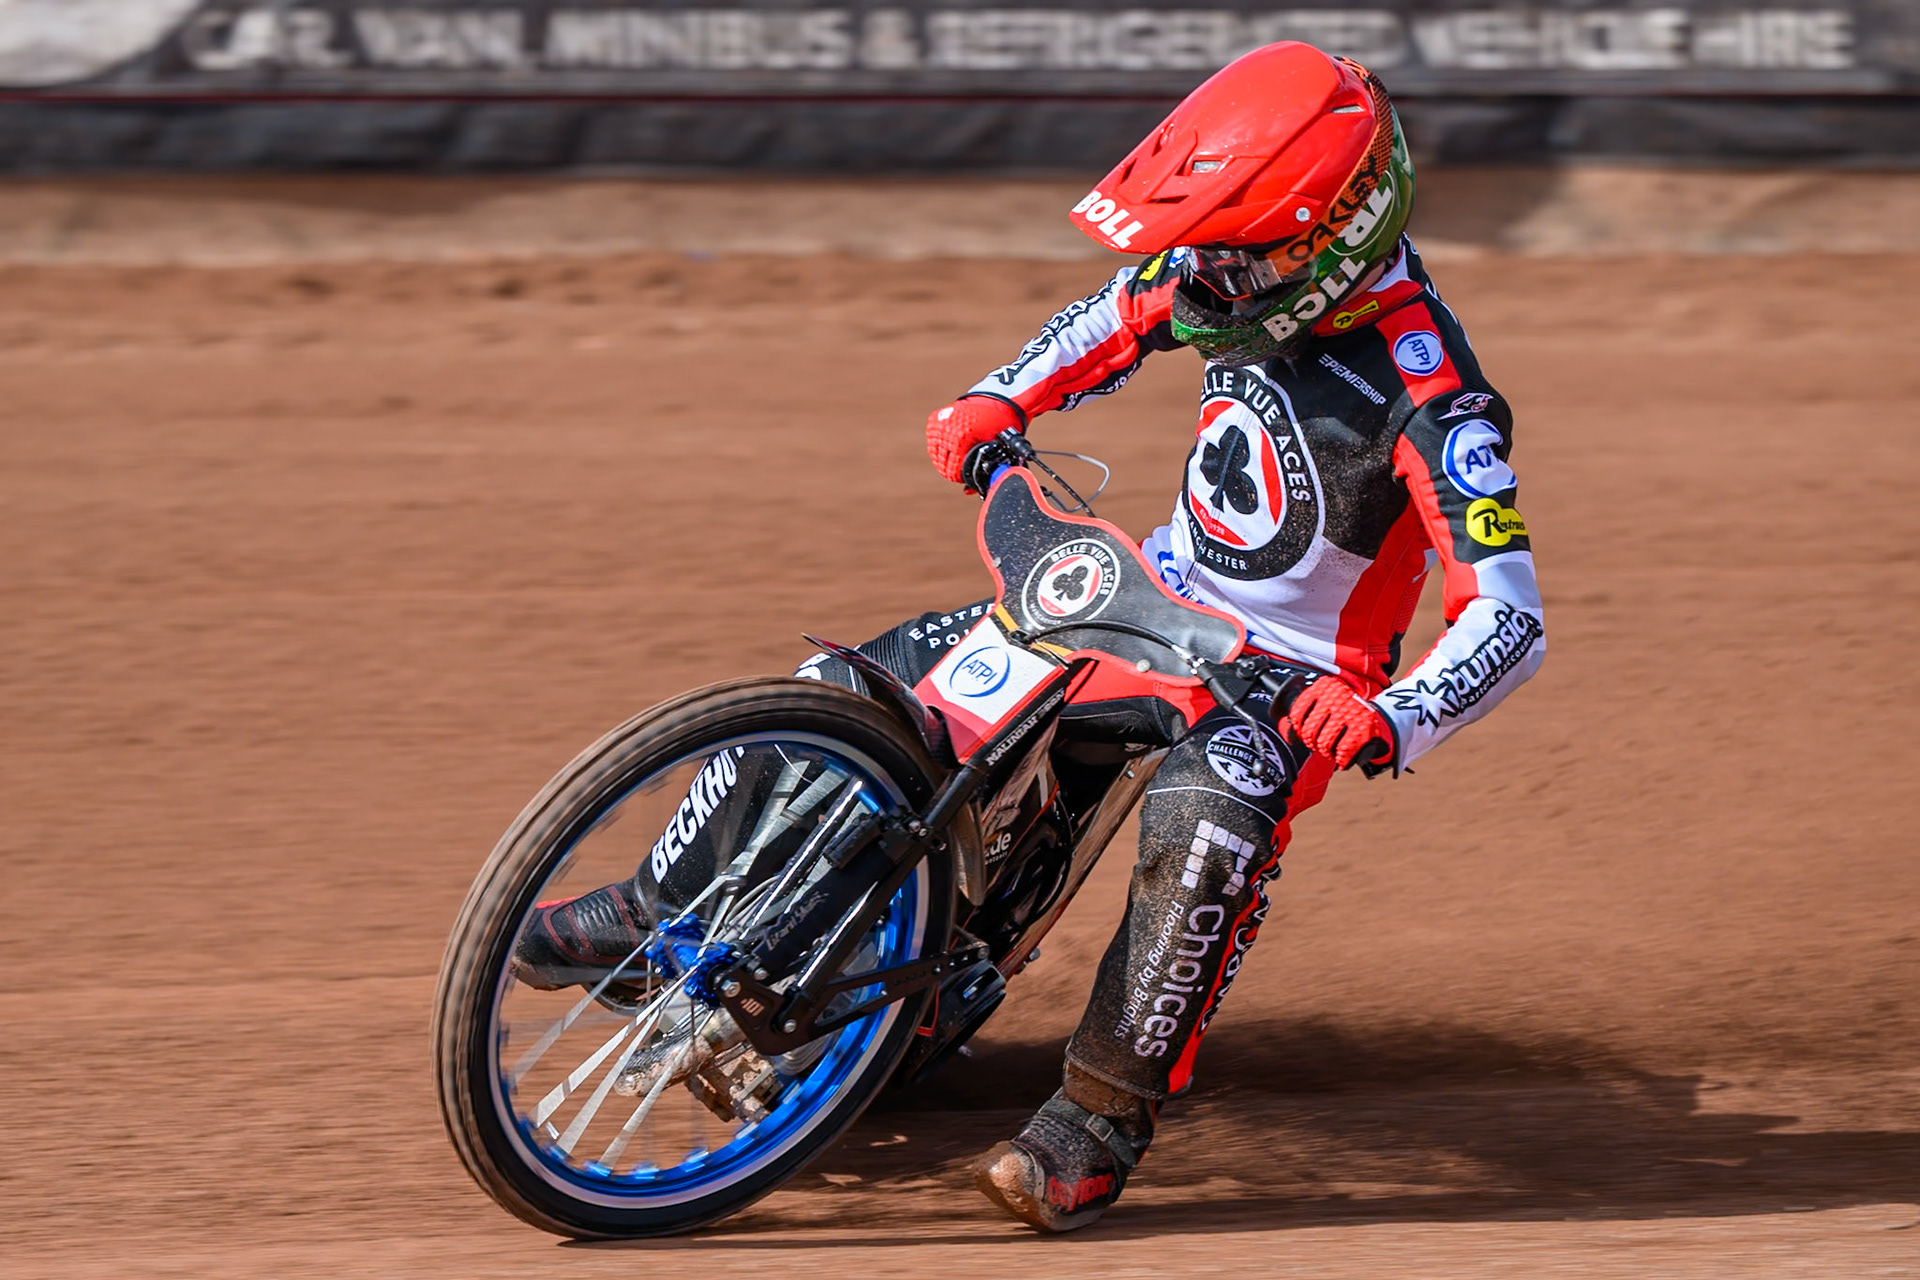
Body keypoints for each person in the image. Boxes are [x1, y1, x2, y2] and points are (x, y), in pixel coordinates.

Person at [516, 39, 1544, 1234]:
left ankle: (1096, 1123)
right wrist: (1003, 397)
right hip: (1152, 595)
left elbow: (1508, 614)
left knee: (1211, 822)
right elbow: (1120, 307)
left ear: (1328, 241)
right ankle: (664, 901)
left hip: (1286, 681)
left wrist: (1391, 716)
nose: (1204, 273)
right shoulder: (1243, 268)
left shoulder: (1437, 397)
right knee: (860, 686)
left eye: (1235, 250)